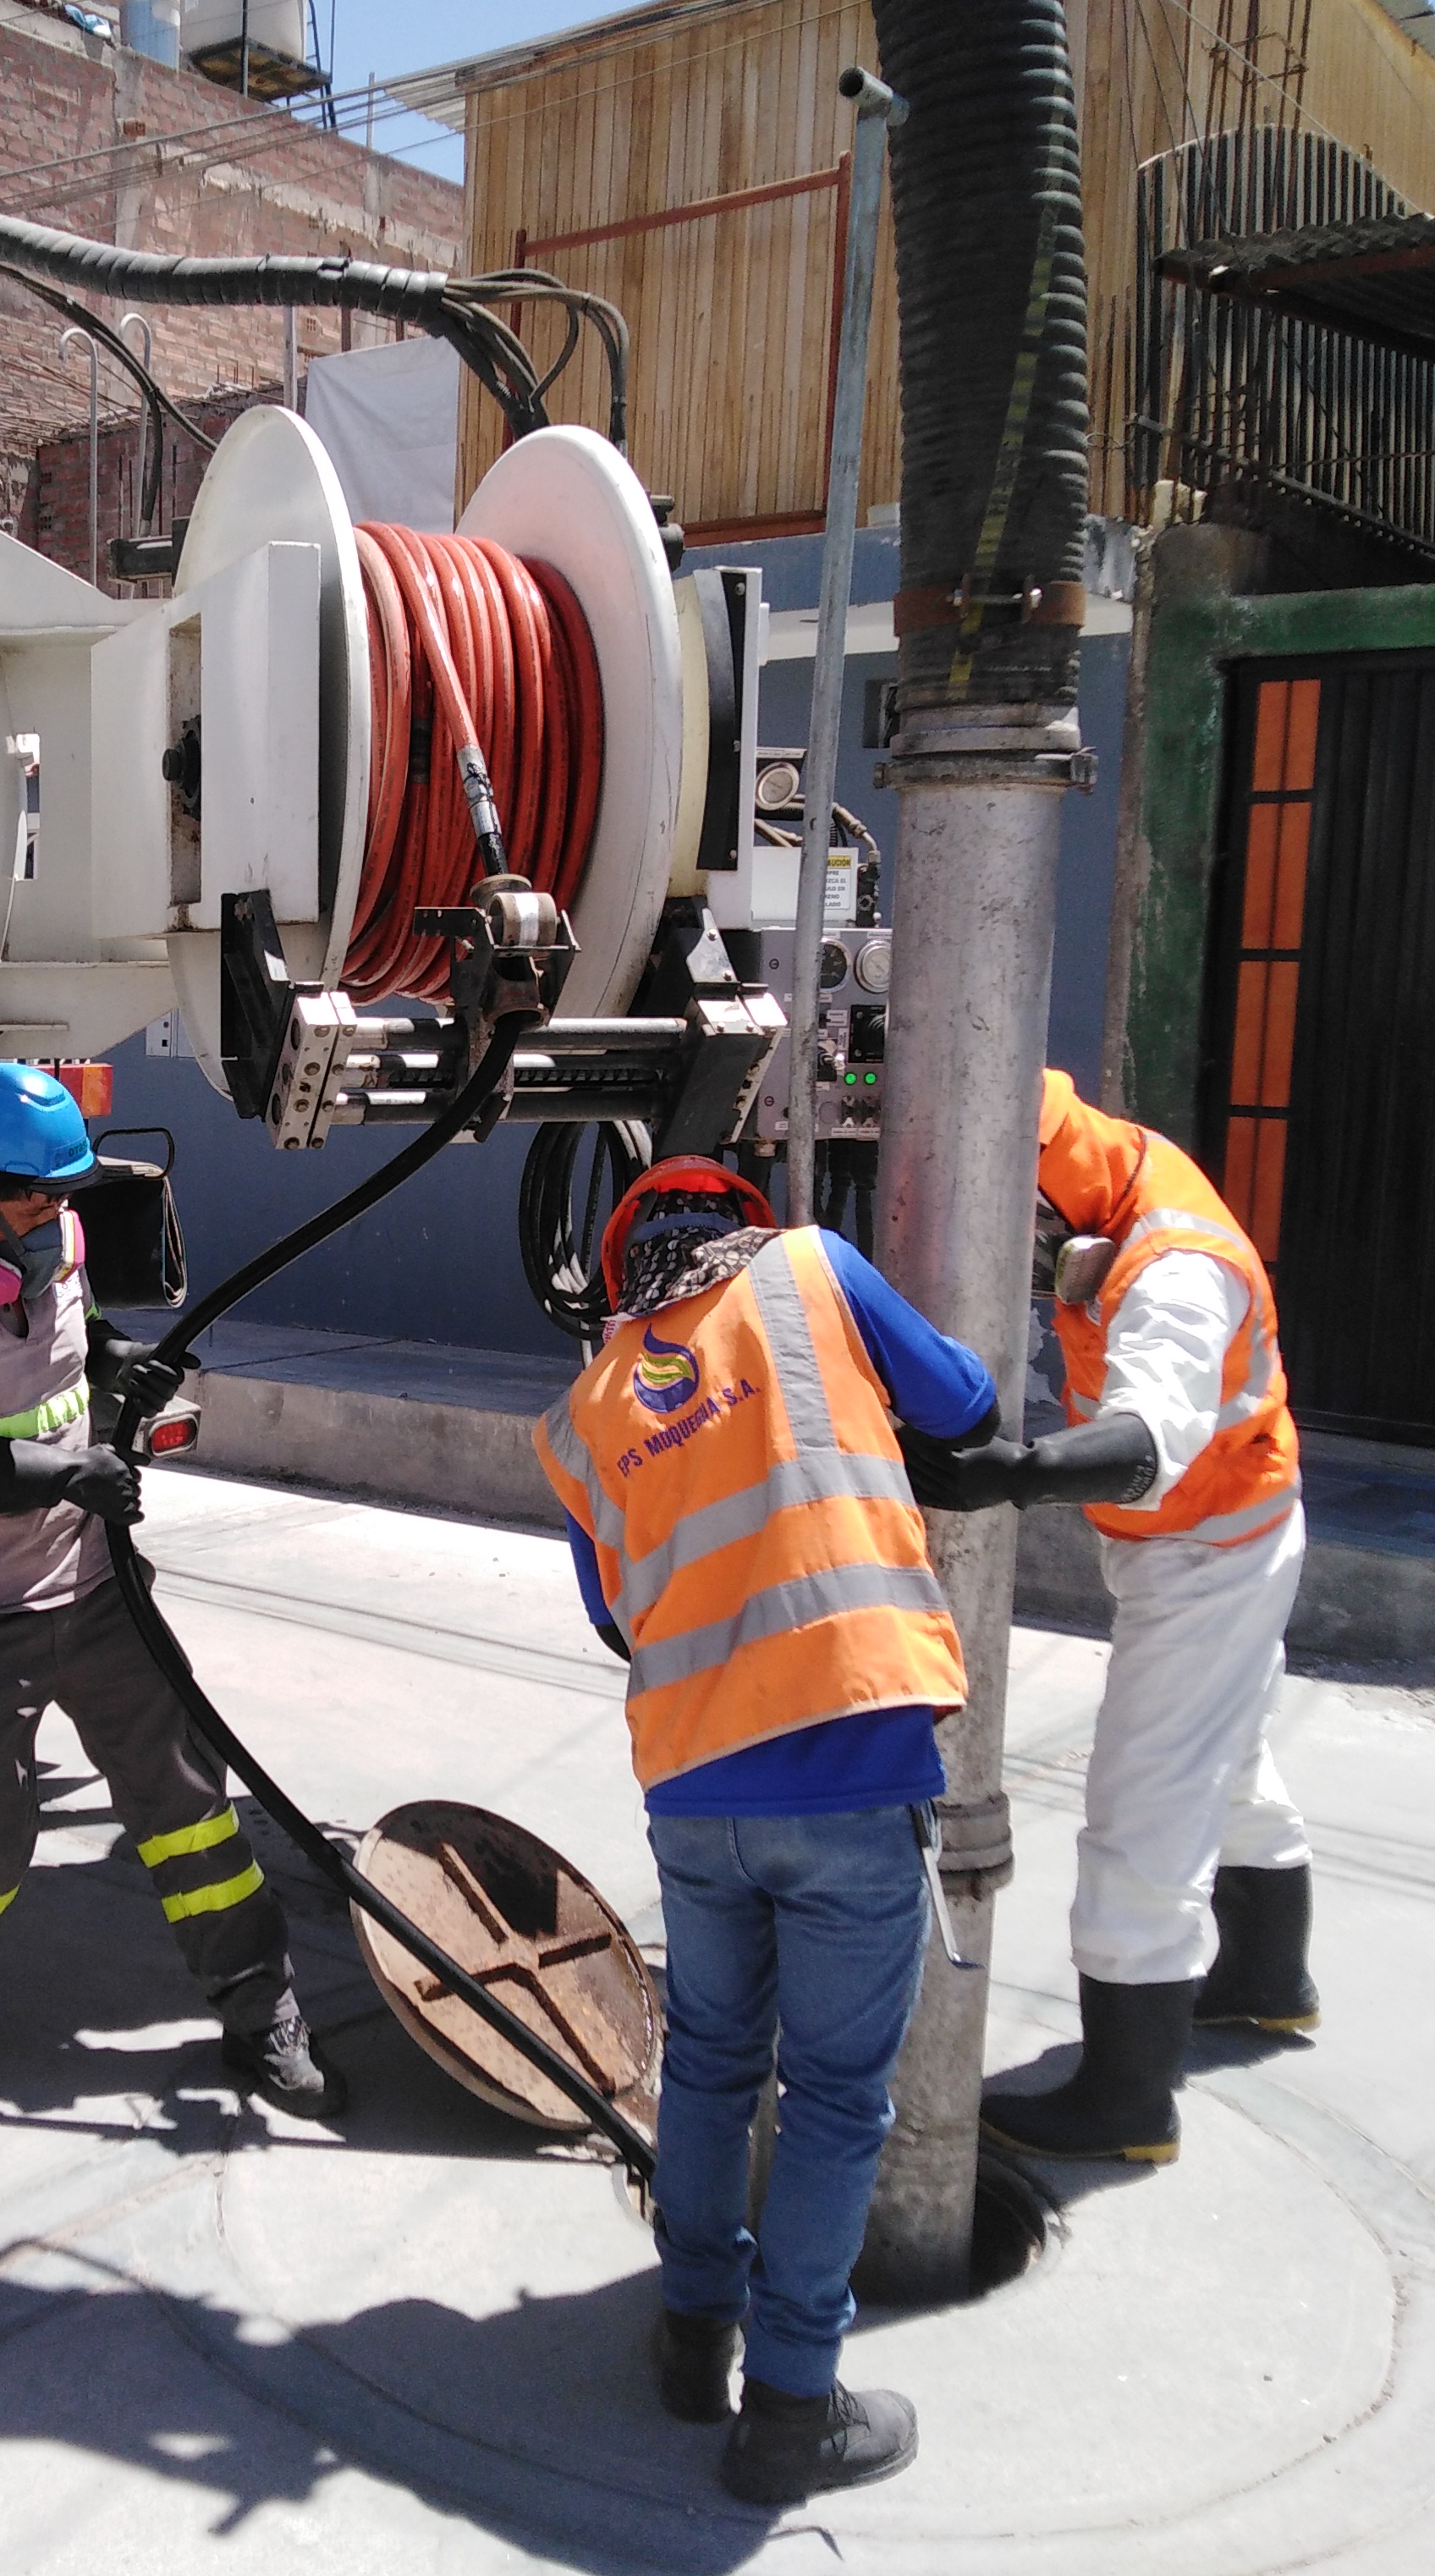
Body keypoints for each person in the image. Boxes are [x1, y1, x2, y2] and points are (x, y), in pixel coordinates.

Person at [533, 1156, 1017, 2505]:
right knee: (836, 2104)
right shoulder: (809, 1268)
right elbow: (965, 1402)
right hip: (852, 1755)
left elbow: (613, 1612)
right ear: (737, 1229)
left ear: (628, 1260)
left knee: (711, 2065)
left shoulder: (585, 1411)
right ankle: (793, 2408)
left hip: (695, 1788)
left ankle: (694, 2338)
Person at [0, 1061, 344, 2119]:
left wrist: (128, 1364)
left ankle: (261, 2011)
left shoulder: (59, 1242)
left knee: (188, 1807)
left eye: (64, 1193)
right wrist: (68, 1471)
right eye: (34, 1194)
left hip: (90, 1579)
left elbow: (74, 1359)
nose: (53, 1214)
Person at [939, 1071, 1319, 2169]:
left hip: (1207, 1550)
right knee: (1228, 1762)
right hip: (1238, 1522)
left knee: (1143, 1808)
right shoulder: (1115, 1171)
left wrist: (1009, 1476)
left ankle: (1125, 2099)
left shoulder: (1176, 1275)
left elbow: (1147, 1441)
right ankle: (1262, 1984)